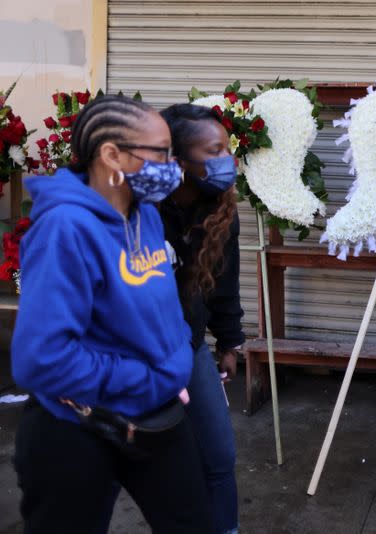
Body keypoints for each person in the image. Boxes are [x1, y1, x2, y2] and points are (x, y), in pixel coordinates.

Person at [12, 95, 214, 533]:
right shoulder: (65, 228)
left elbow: (159, 307)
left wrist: (174, 355)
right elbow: (40, 356)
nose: (172, 165)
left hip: (158, 420)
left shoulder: (147, 217)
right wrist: (148, 378)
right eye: (160, 153)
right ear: (111, 155)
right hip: (77, 431)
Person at [159, 102, 244, 534]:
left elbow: (222, 286)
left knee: (219, 457)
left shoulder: (222, 211)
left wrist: (229, 343)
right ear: (178, 160)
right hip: (136, 353)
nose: (226, 161)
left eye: (227, 149)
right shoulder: (142, 209)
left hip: (187, 347)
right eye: (214, 151)